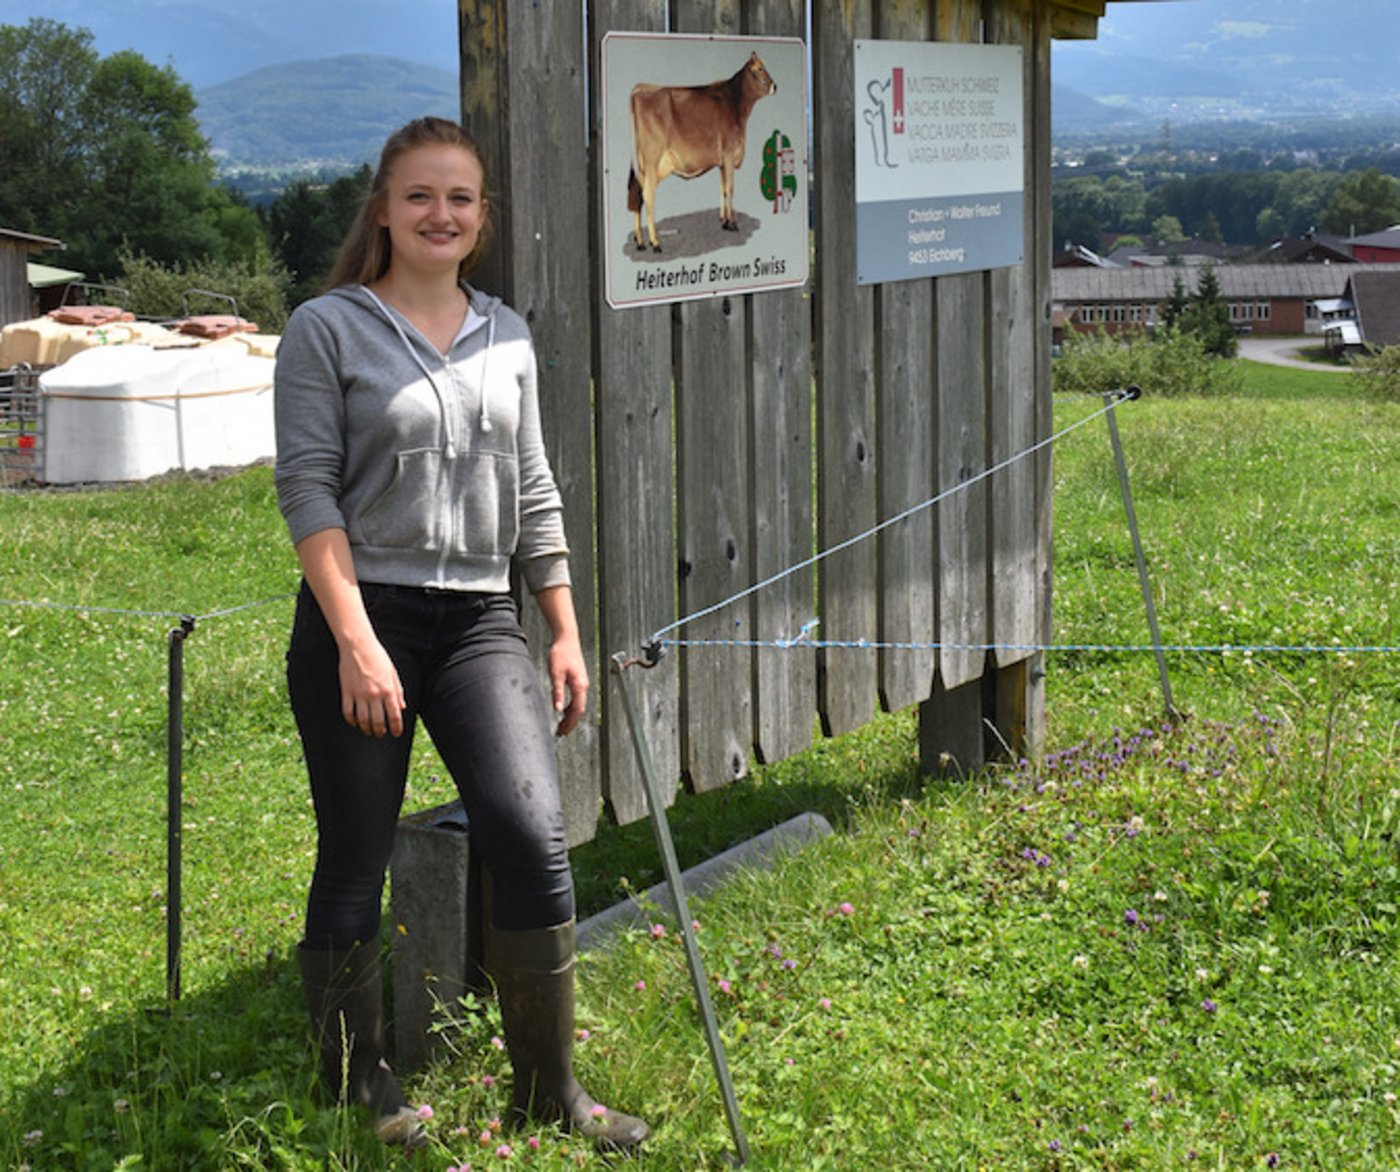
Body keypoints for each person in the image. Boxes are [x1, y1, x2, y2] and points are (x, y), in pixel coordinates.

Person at [273, 116, 649, 1153]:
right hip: (366, 614)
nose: (441, 214)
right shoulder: (328, 327)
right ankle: (361, 1078)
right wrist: (355, 640)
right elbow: (306, 489)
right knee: (354, 856)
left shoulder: (507, 332)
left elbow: (532, 487)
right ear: (384, 209)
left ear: (480, 219)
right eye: (420, 196)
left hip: (482, 617)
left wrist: (563, 626)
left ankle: (549, 1091)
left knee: (530, 836)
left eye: (460, 199)